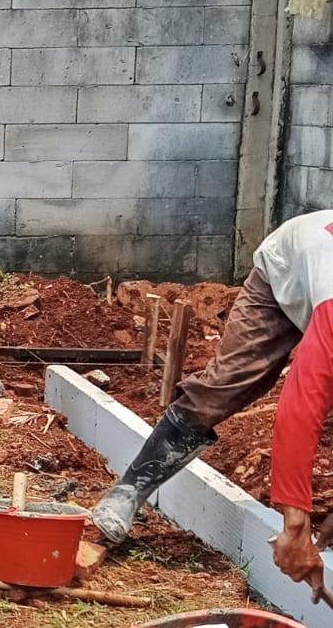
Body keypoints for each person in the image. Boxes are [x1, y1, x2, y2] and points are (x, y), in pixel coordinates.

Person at [91, 209, 333, 595]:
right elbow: (299, 409)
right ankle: (129, 491)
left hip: (320, 277)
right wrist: (295, 526)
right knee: (225, 388)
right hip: (285, 273)